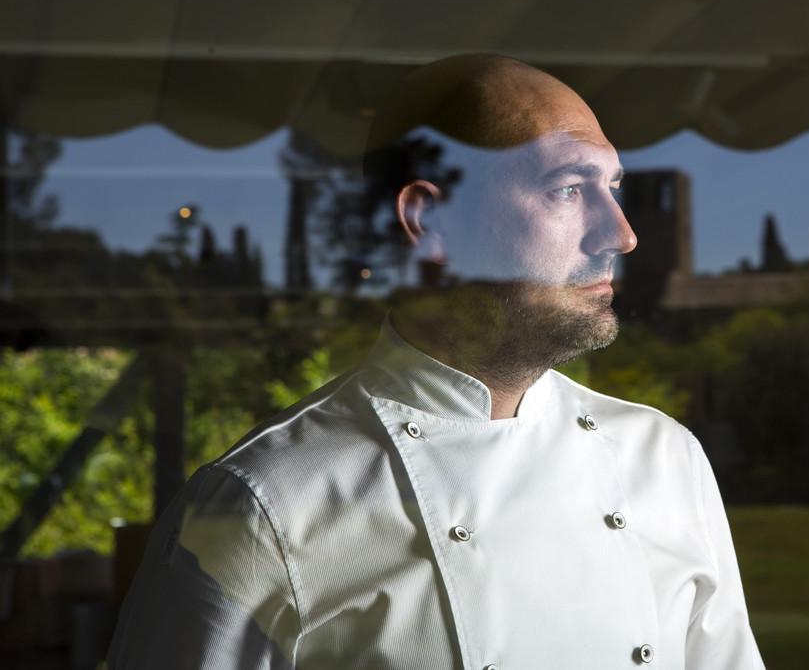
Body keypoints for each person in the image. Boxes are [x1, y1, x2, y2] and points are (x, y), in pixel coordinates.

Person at [107, 55, 766, 669]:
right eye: (569, 188)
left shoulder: (664, 458)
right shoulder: (266, 505)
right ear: (427, 217)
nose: (620, 233)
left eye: (612, 185)